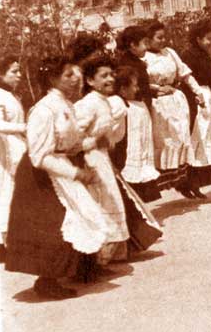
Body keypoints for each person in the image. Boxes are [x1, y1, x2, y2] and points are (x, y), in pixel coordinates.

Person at [5, 56, 114, 299]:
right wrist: (75, 173)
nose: (76, 79)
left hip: (60, 166)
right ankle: (47, 281)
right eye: (68, 75)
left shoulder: (65, 105)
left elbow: (69, 144)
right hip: (41, 177)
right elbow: (40, 156)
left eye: (76, 74)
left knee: (80, 215)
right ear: (53, 79)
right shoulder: (44, 109)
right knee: (55, 224)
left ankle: (84, 268)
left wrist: (92, 142)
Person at [74, 55, 130, 264]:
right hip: (89, 160)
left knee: (108, 202)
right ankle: (94, 259)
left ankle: (102, 257)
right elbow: (73, 135)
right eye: (103, 76)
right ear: (90, 81)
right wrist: (93, 143)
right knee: (99, 205)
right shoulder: (88, 104)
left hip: (101, 158)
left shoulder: (104, 102)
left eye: (111, 74)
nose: (110, 79)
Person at [143, 20, 205, 197]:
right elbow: (141, 82)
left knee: (182, 138)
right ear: (148, 39)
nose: (162, 41)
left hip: (176, 101)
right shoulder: (144, 57)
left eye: (164, 37)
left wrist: (197, 91)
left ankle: (184, 181)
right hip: (159, 104)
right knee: (165, 141)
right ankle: (168, 181)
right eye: (158, 38)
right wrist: (157, 88)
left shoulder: (170, 53)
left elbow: (185, 73)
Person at [107, 66, 163, 255]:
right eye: (133, 86)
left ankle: (129, 244)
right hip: (116, 160)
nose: (137, 89)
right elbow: (109, 133)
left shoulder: (133, 105)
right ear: (122, 89)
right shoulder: (117, 104)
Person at [114, 26, 160, 202]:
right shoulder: (127, 64)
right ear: (132, 45)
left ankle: (141, 196)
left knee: (142, 147)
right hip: (132, 109)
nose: (146, 48)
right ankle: (134, 195)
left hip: (140, 106)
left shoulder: (136, 62)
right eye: (144, 44)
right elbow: (130, 88)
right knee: (135, 148)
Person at [180, 19, 211, 198]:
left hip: (206, 94)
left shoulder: (205, 54)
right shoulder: (188, 55)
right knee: (197, 137)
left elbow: (208, 80)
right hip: (195, 98)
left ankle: (197, 183)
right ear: (198, 39)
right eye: (208, 39)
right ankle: (188, 182)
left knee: (204, 138)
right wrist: (195, 97)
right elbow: (185, 79)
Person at [0, 56, 26, 263]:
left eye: (19, 71)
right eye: (13, 72)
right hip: (4, 150)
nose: (19, 75)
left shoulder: (11, 95)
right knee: (5, 192)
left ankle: (12, 240)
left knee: (14, 193)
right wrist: (25, 128)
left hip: (15, 147)